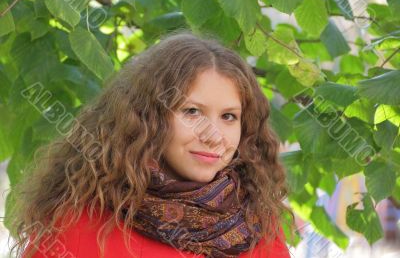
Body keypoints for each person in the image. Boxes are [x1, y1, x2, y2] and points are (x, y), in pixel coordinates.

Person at [10, 31, 293, 258]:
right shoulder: (79, 222)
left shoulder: (257, 225)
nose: (214, 135)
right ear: (149, 116)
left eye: (229, 116)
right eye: (192, 112)